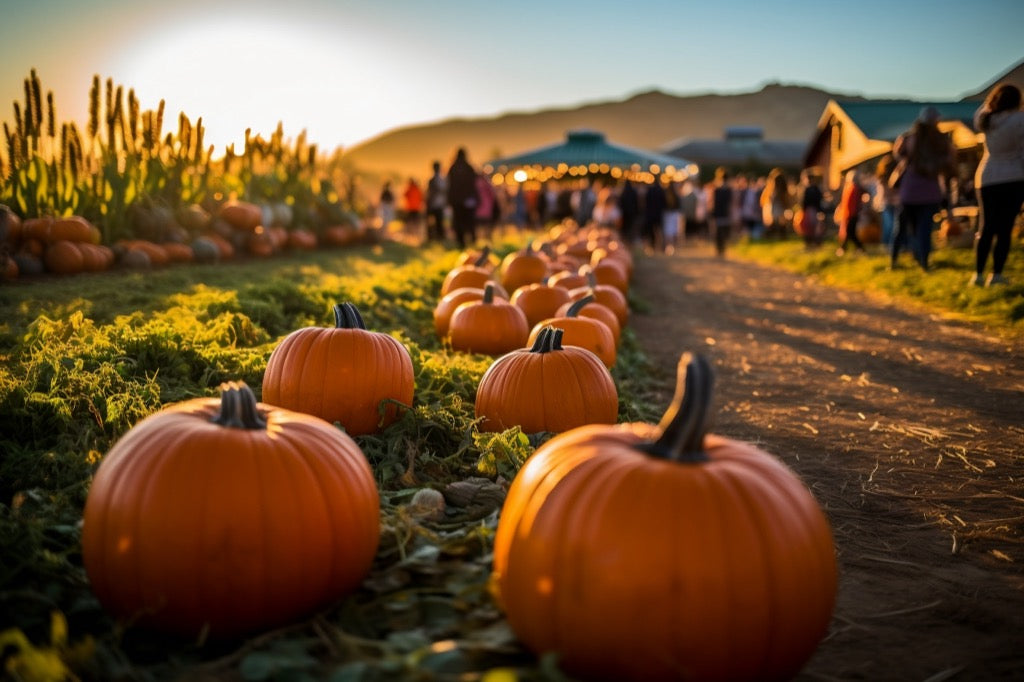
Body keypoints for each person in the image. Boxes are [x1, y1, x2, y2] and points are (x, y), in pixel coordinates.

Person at [970, 83, 1024, 286]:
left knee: (986, 227)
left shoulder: (986, 119)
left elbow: (982, 109)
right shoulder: (1020, 120)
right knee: (1005, 228)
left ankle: (978, 274)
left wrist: (991, 101)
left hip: (986, 176)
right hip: (1014, 176)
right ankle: (997, 274)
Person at [890, 106, 956, 271]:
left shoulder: (910, 138)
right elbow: (949, 161)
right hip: (930, 190)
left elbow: (898, 154)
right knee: (924, 229)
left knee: (905, 228)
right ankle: (924, 262)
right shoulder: (941, 140)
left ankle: (896, 260)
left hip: (910, 191)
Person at [446, 147, 479, 248]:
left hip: (456, 201)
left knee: (458, 222)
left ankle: (461, 243)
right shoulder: (469, 167)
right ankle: (472, 240)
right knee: (469, 221)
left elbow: (449, 185)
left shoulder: (452, 168)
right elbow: (475, 183)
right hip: (468, 200)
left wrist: (450, 200)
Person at [834, 170, 867, 256]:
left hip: (853, 214)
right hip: (848, 213)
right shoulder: (849, 187)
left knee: (850, 232)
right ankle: (856, 248)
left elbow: (857, 202)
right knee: (850, 232)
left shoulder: (856, 188)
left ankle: (845, 248)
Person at [874, 154, 901, 248]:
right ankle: (893, 245)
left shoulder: (881, 178)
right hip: (895, 203)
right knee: (895, 226)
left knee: (888, 225)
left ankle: (888, 245)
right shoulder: (896, 176)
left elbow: (881, 194)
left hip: (887, 203)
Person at [707, 167, 734, 257]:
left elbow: (712, 202)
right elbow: (731, 203)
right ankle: (722, 249)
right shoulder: (729, 190)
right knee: (724, 232)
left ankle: (719, 249)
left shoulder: (716, 189)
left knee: (719, 232)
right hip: (725, 213)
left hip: (718, 213)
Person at [760, 168, 792, 238]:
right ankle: (779, 234)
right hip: (777, 211)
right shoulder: (776, 191)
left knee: (777, 224)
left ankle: (775, 234)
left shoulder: (771, 190)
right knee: (779, 224)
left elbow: (763, 201)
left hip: (775, 211)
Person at [797, 170, 825, 249]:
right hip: (809, 211)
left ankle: (814, 242)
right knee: (809, 227)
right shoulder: (809, 189)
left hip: (813, 211)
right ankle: (810, 243)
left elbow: (817, 201)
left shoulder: (814, 189)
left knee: (814, 227)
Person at [425, 161, 447, 242]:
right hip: (437, 204)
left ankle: (437, 237)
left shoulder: (437, 180)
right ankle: (435, 237)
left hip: (436, 204)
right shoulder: (441, 180)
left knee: (437, 222)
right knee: (436, 222)